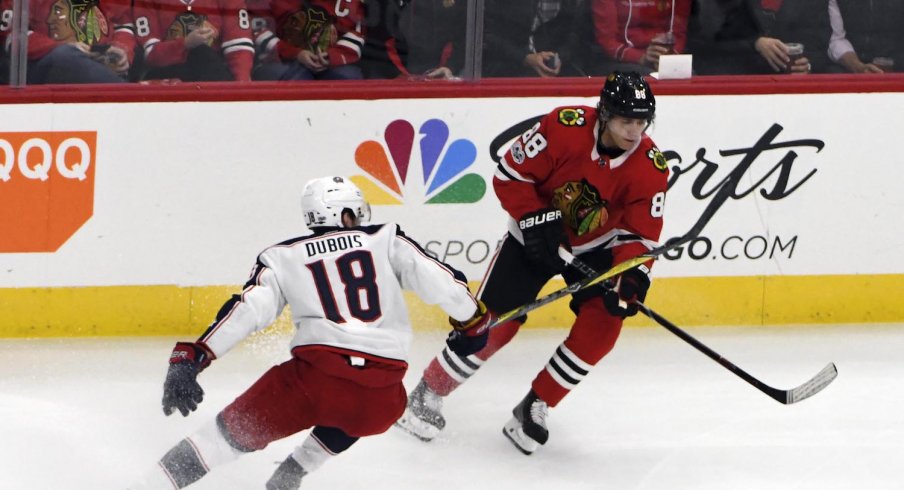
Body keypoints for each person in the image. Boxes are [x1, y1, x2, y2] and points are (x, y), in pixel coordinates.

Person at [129, 176, 492, 489]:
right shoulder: (385, 238)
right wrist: (472, 325)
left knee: (217, 442)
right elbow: (443, 284)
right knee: (361, 405)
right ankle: (297, 468)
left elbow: (248, 311)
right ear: (346, 215)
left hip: (309, 386)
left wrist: (195, 357)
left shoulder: (283, 256)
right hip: (383, 400)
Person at [395, 72, 669, 455]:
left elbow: (639, 237)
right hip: (533, 237)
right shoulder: (563, 127)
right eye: (626, 121)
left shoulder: (650, 168)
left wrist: (632, 277)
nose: (634, 131)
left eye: (642, 122)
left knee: (604, 325)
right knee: (495, 325)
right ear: (605, 113)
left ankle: (535, 404)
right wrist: (535, 218)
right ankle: (429, 392)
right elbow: (510, 174)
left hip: (595, 249)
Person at [1, 0, 135, 84]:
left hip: (102, 65)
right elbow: (12, 37)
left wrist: (121, 49)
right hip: (45, 75)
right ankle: (130, 98)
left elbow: (123, 25)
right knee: (64, 56)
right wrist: (60, 47)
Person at [686, 0, 831, 75]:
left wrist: (808, 66)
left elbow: (820, 46)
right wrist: (755, 43)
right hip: (734, 88)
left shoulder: (810, 3)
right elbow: (703, 46)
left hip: (789, 94)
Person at [132, 0, 255, 82]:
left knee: (202, 53)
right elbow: (151, 56)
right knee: (200, 52)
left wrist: (241, 90)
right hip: (167, 74)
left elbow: (239, 48)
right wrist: (185, 44)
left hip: (214, 71)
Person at [250, 0, 366, 81]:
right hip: (280, 61)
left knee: (347, 78)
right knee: (295, 79)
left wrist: (331, 56)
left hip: (332, 63)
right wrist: (295, 53)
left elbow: (357, 32)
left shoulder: (349, 3)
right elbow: (258, 31)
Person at [482, 0, 592, 78]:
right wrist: (524, 58)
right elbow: (485, 34)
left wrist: (558, 57)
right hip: (502, 69)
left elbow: (576, 34)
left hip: (556, 69)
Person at [590, 0, 692, 75]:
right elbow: (607, 41)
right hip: (620, 61)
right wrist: (641, 57)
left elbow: (678, 34)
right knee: (648, 78)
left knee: (690, 77)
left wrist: (666, 58)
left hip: (664, 57)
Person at [827, 0, 903, 74]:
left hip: (898, 65)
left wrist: (895, 64)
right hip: (850, 66)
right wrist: (858, 66)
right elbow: (836, 39)